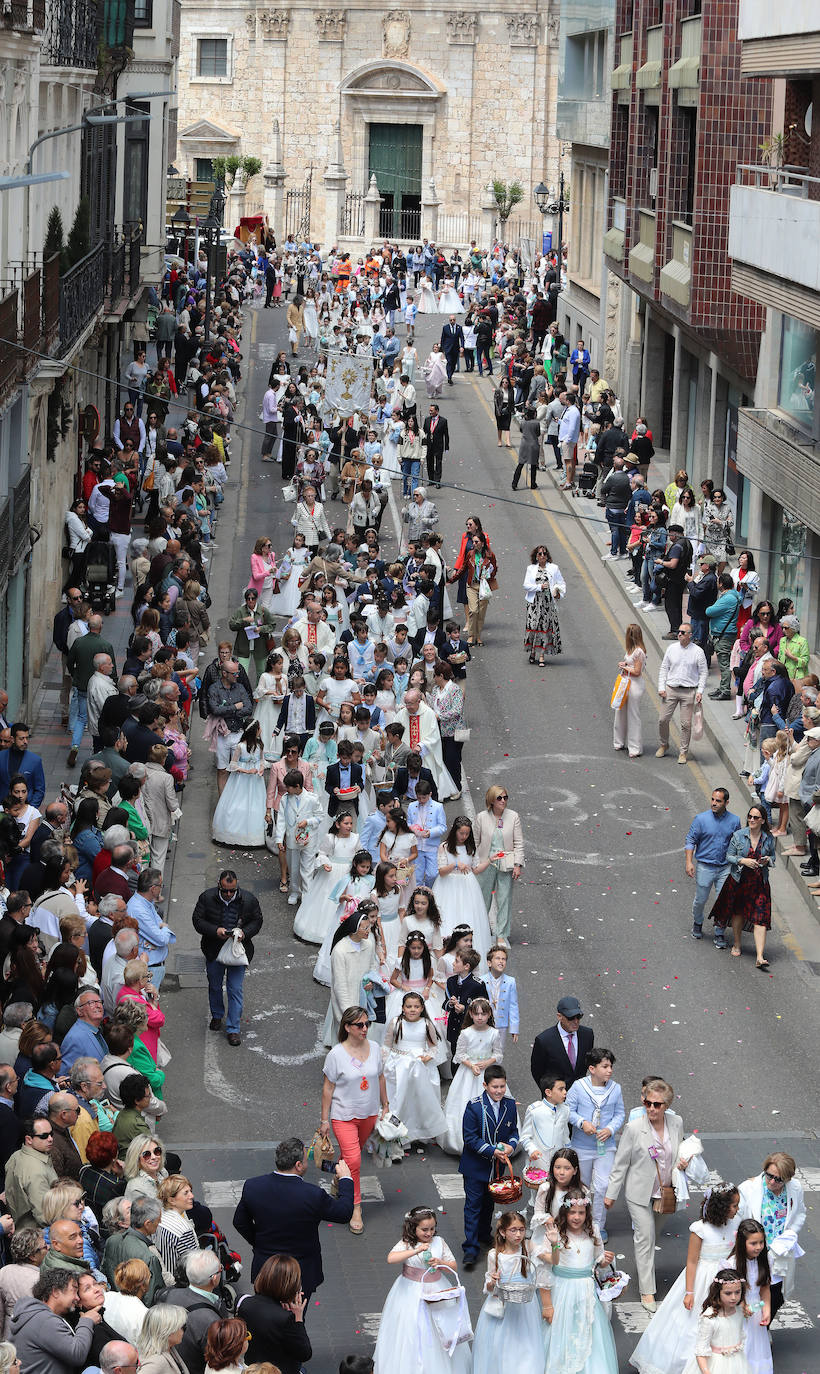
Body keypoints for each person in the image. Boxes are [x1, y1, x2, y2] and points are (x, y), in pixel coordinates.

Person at [630, 1182, 742, 1374]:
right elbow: (692, 1262)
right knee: (689, 1325)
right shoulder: (700, 1229)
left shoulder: (736, 1223)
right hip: (702, 1280)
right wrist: (689, 1292)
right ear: (722, 1207)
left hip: (727, 1280)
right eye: (733, 1206)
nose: (737, 1210)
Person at [604, 1078, 687, 1311]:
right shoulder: (634, 1128)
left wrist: (684, 1161)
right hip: (638, 1193)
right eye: (648, 1103)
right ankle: (647, 1291)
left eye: (657, 1104)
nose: (651, 1108)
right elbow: (620, 1163)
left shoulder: (677, 1122)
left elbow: (681, 1147)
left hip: (665, 1193)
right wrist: (611, 1194)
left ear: (667, 1106)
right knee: (646, 1237)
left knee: (651, 1238)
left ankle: (646, 1273)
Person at [232, 1136, 354, 1296]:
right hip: (300, 1272)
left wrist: (259, 1243)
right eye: (305, 1160)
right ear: (298, 1165)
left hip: (265, 1267)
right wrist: (346, 1179)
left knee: (265, 1314)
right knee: (296, 1317)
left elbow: (239, 1222)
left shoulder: (253, 1186)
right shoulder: (312, 1195)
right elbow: (344, 1213)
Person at [318, 1002, 388, 1233]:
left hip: (368, 1114)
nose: (365, 1028)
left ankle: (340, 1179)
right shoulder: (336, 1054)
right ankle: (356, 1206)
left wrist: (385, 1104)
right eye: (359, 1025)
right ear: (347, 1027)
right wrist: (324, 1120)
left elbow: (379, 1077)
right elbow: (328, 1088)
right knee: (355, 1160)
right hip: (343, 1116)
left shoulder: (375, 1048)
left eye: (367, 1024)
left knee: (350, 1158)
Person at [373, 1205, 470, 1374]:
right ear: (414, 1227)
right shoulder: (407, 1243)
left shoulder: (440, 1242)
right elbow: (391, 1258)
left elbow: (453, 1265)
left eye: (432, 1229)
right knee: (411, 1326)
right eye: (424, 1229)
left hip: (437, 1288)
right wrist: (416, 1250)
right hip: (410, 1290)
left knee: (440, 1325)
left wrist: (441, 1263)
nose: (429, 1233)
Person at [540, 1192, 618, 1374]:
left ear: (587, 1213)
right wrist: (547, 1305)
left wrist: (604, 1260)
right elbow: (547, 1266)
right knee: (561, 1333)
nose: (576, 1217)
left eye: (581, 1213)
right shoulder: (555, 1234)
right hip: (562, 1289)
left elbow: (597, 1257)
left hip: (586, 1290)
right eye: (572, 1212)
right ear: (565, 1213)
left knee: (589, 1333)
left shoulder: (593, 1231)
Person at [192, 870, 263, 1047]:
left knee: (235, 989)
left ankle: (233, 1028)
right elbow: (197, 921)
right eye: (225, 891)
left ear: (237, 886)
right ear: (219, 886)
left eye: (232, 890)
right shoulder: (206, 898)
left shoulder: (249, 899)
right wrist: (215, 930)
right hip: (214, 950)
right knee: (215, 986)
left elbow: (257, 921)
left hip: (238, 952)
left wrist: (244, 933)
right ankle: (217, 1015)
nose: (229, 894)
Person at [458, 1064, 520, 1268]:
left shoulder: (510, 1105)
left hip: (497, 1168)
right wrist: (492, 1151)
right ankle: (470, 1248)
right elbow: (469, 1137)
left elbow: (514, 1133)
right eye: (495, 1087)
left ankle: (484, 1234)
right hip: (475, 1166)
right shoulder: (474, 1106)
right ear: (485, 1085)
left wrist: (510, 1148)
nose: (499, 1091)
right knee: (473, 1206)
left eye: (502, 1086)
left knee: (489, 1204)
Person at [472, 1210, 546, 1369]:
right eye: (513, 1230)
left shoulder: (527, 1246)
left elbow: (552, 1260)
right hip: (503, 1304)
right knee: (502, 1344)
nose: (518, 1234)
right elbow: (489, 1287)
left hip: (525, 1305)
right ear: (502, 1232)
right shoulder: (494, 1254)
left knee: (527, 1343)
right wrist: (492, 1281)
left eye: (521, 1229)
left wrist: (554, 1245)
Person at [737, 1151, 806, 1317]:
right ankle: (755, 1329)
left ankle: (764, 1326)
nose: (773, 1182)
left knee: (777, 1294)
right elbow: (738, 1220)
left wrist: (789, 1234)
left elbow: (800, 1213)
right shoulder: (747, 1189)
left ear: (788, 1179)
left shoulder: (794, 1188)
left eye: (779, 1179)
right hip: (755, 1251)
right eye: (769, 1176)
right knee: (753, 1291)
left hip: (779, 1251)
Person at [707, 805, 776, 967]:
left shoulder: (768, 838)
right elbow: (729, 856)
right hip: (740, 881)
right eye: (750, 816)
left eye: (756, 818)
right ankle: (737, 944)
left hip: (760, 883)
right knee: (738, 913)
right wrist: (743, 860)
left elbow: (773, 856)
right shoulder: (738, 836)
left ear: (763, 820)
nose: (751, 820)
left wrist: (767, 860)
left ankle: (760, 956)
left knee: (761, 919)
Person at [9, 1267, 101, 1374]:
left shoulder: (36, 1315)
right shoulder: (43, 1320)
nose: (77, 1298)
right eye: (74, 1291)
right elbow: (77, 1354)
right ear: (56, 1292)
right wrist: (87, 1320)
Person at [383, 992, 446, 1143]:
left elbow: (433, 1047)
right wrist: (384, 1062)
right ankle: (397, 1132)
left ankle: (419, 1133)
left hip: (419, 1066)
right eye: (409, 1006)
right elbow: (387, 1044)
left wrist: (427, 1057)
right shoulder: (396, 1022)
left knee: (418, 1099)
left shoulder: (426, 1024)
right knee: (399, 1098)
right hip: (398, 1063)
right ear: (403, 1008)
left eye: (416, 1007)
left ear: (422, 1008)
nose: (412, 1009)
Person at [684, 788, 742, 945]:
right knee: (700, 900)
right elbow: (690, 840)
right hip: (705, 866)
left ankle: (719, 931)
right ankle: (698, 922)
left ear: (726, 803)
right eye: (713, 800)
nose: (714, 803)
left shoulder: (735, 821)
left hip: (725, 867)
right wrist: (689, 862)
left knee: (722, 901)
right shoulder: (701, 819)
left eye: (718, 801)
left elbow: (738, 843)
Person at [238, 1254, 312, 1374]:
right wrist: (298, 1318)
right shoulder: (286, 1319)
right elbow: (304, 1353)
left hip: (251, 1368)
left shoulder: (244, 1302)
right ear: (290, 1285)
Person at [473, 786, 525, 949]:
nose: (503, 801)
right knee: (483, 898)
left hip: (506, 863)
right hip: (486, 861)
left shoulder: (513, 816)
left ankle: (501, 934)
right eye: (499, 798)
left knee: (504, 899)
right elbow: (474, 842)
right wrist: (474, 863)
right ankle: (480, 929)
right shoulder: (481, 817)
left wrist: (518, 864)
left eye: (505, 797)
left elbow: (518, 842)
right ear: (491, 800)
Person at [657, 623, 708, 765]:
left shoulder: (698, 651)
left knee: (686, 724)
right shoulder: (671, 648)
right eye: (679, 632)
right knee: (663, 720)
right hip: (671, 689)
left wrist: (700, 691)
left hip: (688, 691)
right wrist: (661, 687)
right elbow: (664, 668)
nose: (679, 634)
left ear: (690, 635)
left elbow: (703, 673)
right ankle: (664, 744)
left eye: (683, 632)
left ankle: (683, 752)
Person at [211, 722, 266, 848]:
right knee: (238, 802)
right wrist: (247, 771)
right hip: (241, 780)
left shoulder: (260, 746)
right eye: (259, 728)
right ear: (254, 731)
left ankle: (254, 835)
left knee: (255, 803)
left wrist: (261, 768)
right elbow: (233, 764)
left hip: (255, 781)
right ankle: (233, 833)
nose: (261, 730)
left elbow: (262, 760)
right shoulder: (240, 746)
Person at [530, 994, 594, 1090]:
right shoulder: (544, 1040)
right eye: (571, 1017)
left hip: (581, 1095)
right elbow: (537, 1071)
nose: (576, 1021)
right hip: (556, 1097)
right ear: (559, 1016)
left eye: (578, 1016)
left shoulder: (587, 1035)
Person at [4, 1115, 58, 1228]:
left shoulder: (16, 1156)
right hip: (38, 1234)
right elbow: (45, 1216)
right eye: (44, 1136)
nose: (50, 1139)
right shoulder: (36, 1172)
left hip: (21, 1228)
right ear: (28, 1139)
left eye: (51, 1134)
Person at [522, 544, 565, 666]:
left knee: (544, 629)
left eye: (544, 554)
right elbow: (526, 585)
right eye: (540, 554)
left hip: (547, 604)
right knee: (533, 627)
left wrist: (558, 593)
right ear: (536, 556)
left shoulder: (554, 568)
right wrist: (539, 587)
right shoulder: (531, 569)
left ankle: (541, 655)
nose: (542, 556)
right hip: (534, 603)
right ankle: (532, 653)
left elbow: (561, 584)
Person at [520, 1074, 570, 1165]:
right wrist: (532, 1150)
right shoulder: (534, 1110)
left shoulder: (565, 1110)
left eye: (565, 1089)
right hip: (539, 1162)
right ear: (548, 1092)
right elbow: (525, 1137)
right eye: (561, 1089)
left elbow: (565, 1135)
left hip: (558, 1162)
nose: (565, 1092)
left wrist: (568, 1153)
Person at [614, 623, 647, 758]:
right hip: (625, 682)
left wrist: (625, 667)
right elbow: (631, 663)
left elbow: (637, 672)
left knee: (633, 714)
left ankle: (634, 747)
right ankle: (619, 741)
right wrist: (626, 664)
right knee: (620, 710)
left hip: (634, 684)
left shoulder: (639, 651)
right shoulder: (632, 649)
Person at [136, 1304, 189, 1374]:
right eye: (182, 1326)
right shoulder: (156, 1362)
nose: (185, 1330)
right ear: (168, 1330)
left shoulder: (168, 1349)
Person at [421, 405, 449, 488]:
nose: (430, 412)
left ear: (437, 411)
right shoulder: (427, 420)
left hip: (438, 445)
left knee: (438, 463)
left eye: (432, 410)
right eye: (429, 410)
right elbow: (424, 432)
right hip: (429, 445)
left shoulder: (443, 421)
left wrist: (446, 446)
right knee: (429, 462)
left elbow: (446, 435)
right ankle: (431, 480)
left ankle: (437, 481)